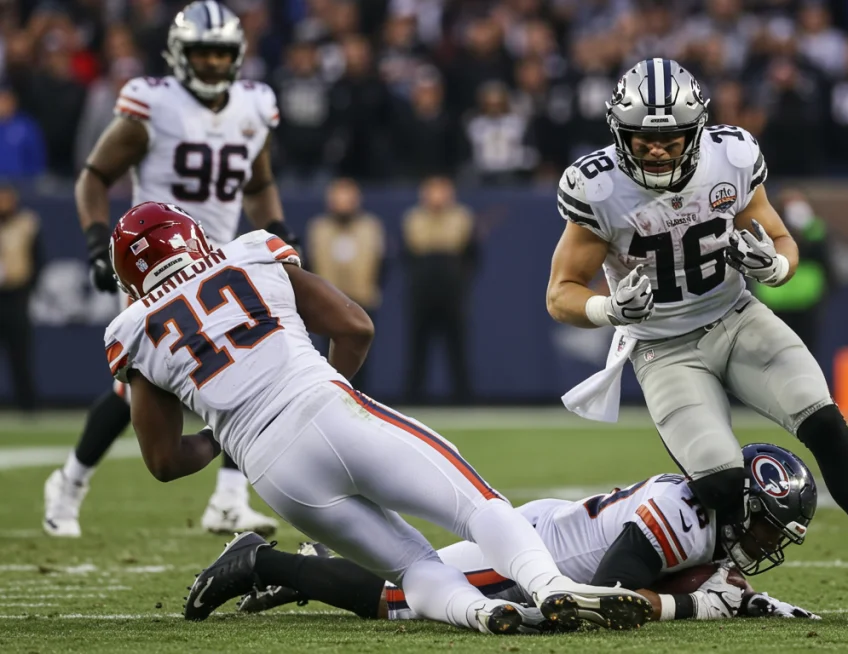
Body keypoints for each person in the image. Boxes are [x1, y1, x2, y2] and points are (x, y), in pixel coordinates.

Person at [106, 201, 651, 634]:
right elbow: (355, 326)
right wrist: (330, 386)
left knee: (410, 567)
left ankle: (479, 615)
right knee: (477, 506)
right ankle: (549, 585)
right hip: (327, 407)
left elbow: (163, 462)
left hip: (273, 469)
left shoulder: (133, 331)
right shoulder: (249, 254)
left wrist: (222, 433)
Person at [547, 58, 848, 610]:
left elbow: (782, 240)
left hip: (736, 318)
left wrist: (773, 268)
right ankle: (700, 582)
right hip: (664, 349)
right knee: (718, 483)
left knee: (825, 420)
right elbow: (560, 292)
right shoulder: (599, 187)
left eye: (671, 138)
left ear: (698, 131)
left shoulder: (730, 157)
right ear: (620, 132)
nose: (657, 150)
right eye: (643, 140)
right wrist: (607, 308)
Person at [44, 1, 298, 539]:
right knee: (136, 390)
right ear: (179, 55)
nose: (210, 63)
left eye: (220, 53)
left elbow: (257, 182)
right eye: (201, 53)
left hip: (220, 257)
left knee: (254, 367)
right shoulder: (153, 105)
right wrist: (96, 244)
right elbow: (93, 176)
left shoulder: (254, 106)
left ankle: (228, 500)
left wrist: (277, 225)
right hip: (154, 268)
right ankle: (69, 482)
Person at [223, 444, 820, 624]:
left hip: (561, 547)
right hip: (535, 553)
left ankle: (317, 564)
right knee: (399, 599)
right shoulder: (679, 514)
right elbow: (608, 602)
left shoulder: (705, 519)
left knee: (408, 587)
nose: (766, 545)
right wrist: (694, 604)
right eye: (766, 528)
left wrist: (749, 603)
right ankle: (265, 563)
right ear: (738, 503)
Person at [401, 176, 476, 404]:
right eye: (432, 190)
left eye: (442, 190)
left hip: (452, 291)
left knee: (457, 347)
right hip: (422, 291)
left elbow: (471, 255)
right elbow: (409, 253)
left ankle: (463, 398)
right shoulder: (413, 218)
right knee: (417, 346)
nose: (437, 196)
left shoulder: (462, 217)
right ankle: (413, 399)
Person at [306, 178, 385, 392]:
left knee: (360, 356)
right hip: (327, 301)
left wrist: (372, 289)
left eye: (347, 198)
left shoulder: (370, 227)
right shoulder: (319, 228)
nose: (343, 203)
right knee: (325, 357)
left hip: (361, 298)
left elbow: (382, 262)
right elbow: (309, 265)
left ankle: (361, 399)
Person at [753, 191, 832, 353]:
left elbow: (822, 256)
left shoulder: (815, 229)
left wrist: (804, 230)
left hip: (806, 301)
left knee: (807, 351)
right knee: (776, 352)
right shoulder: (767, 225)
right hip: (776, 299)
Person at [0, 184, 43, 412]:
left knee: (20, 354)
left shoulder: (27, 224)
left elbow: (38, 259)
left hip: (16, 295)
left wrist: (28, 288)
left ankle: (27, 406)